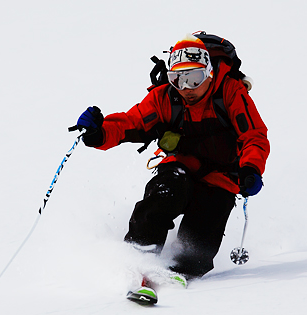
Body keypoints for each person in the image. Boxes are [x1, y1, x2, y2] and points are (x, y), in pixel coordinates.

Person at [75, 34, 270, 279]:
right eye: (177, 79)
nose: (186, 88)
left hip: (221, 177)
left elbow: (254, 135)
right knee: (165, 192)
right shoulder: (166, 97)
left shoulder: (231, 93)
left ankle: (184, 269)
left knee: (202, 234)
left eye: (194, 78)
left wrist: (251, 168)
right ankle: (139, 253)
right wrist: (99, 133)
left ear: (209, 72)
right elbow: (131, 123)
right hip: (181, 166)